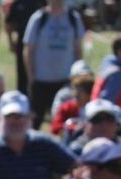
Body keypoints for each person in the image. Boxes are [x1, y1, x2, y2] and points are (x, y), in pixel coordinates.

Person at [22, 0, 83, 128]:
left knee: (63, 123)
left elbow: (78, 49)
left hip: (65, 80)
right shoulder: (39, 18)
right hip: (41, 80)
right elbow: (28, 49)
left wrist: (76, 77)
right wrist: (31, 77)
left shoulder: (73, 18)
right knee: (34, 122)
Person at [6, 0, 45, 93]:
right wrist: (11, 42)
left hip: (40, 45)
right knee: (22, 73)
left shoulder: (43, 3)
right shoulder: (18, 3)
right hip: (22, 44)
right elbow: (9, 23)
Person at [51, 73, 94, 138]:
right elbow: (55, 127)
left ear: (89, 94)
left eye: (80, 91)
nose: (76, 94)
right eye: (74, 89)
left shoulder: (95, 109)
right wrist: (73, 128)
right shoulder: (67, 108)